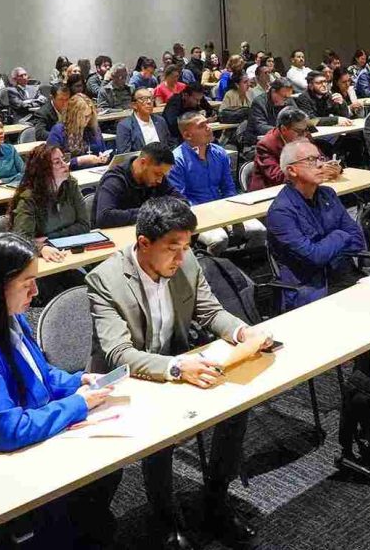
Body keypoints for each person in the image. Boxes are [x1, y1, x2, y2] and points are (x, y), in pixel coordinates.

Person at [85, 196, 265, 548]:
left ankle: (215, 498)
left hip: (178, 364)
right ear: (144, 243)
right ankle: (167, 520)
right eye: (173, 248)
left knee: (237, 405)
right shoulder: (105, 280)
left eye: (186, 246)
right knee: (162, 433)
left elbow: (210, 311)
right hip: (125, 381)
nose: (182, 257)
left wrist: (242, 331)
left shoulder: (187, 261)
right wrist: (177, 367)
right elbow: (119, 354)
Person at [0, 232, 114, 550]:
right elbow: (9, 430)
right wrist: (77, 404)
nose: (36, 291)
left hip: (25, 441)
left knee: (106, 469)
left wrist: (78, 382)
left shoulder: (12, 319)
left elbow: (40, 376)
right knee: (82, 487)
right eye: (26, 283)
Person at [264, 138, 368, 312]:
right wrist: (340, 235)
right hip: (311, 289)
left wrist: (327, 247)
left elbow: (358, 241)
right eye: (311, 160)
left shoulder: (328, 194)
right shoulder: (281, 212)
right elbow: (314, 257)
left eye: (320, 158)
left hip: (343, 275)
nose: (321, 165)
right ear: (292, 170)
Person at [169, 112, 263, 253]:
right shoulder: (177, 160)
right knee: (219, 239)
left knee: (259, 230)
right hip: (196, 214)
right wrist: (212, 213)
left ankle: (246, 261)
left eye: (207, 123)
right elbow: (180, 201)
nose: (209, 128)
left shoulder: (220, 153)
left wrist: (233, 212)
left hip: (222, 208)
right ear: (187, 135)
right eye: (202, 126)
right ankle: (213, 265)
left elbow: (228, 187)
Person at [8, 145, 90, 265]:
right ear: (43, 171)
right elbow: (20, 239)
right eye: (57, 162)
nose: (64, 164)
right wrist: (40, 248)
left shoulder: (71, 185)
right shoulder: (29, 198)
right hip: (40, 261)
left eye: (63, 159)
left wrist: (49, 238)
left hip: (69, 251)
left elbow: (84, 225)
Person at [93, 142, 178, 228]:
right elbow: (104, 217)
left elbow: (181, 201)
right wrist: (151, 212)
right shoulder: (114, 180)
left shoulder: (158, 177)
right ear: (143, 163)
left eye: (163, 175)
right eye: (158, 174)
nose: (160, 180)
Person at [251, 106, 316, 192]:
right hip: (270, 191)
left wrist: (327, 166)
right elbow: (276, 176)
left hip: (301, 185)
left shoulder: (304, 134)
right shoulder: (266, 145)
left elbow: (319, 157)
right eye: (299, 131)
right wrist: (308, 173)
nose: (304, 134)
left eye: (306, 129)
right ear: (284, 129)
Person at [47, 93, 111, 169]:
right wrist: (79, 161)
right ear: (73, 116)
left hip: (95, 171)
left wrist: (104, 158)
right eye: (83, 117)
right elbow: (53, 163)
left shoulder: (93, 128)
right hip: (70, 173)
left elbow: (103, 151)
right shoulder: (59, 131)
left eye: (89, 116)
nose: (87, 120)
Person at [243, 77, 295, 152]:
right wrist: (283, 131)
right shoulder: (259, 103)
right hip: (256, 144)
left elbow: (298, 117)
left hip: (281, 142)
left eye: (288, 97)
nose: (287, 99)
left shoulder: (288, 100)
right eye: (284, 96)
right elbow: (260, 127)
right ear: (273, 92)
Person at [116, 88, 170, 154]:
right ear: (134, 105)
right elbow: (124, 154)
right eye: (143, 99)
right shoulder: (125, 126)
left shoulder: (160, 121)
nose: (149, 102)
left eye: (151, 98)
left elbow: (169, 144)